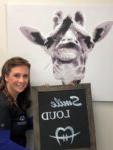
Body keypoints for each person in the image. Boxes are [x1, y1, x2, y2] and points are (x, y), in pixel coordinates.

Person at [0, 57, 32, 150]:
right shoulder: (2, 104)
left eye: (25, 76)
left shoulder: (19, 98)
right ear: (6, 77)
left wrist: (49, 115)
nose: (22, 80)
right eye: (16, 75)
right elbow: (2, 144)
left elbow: (19, 123)